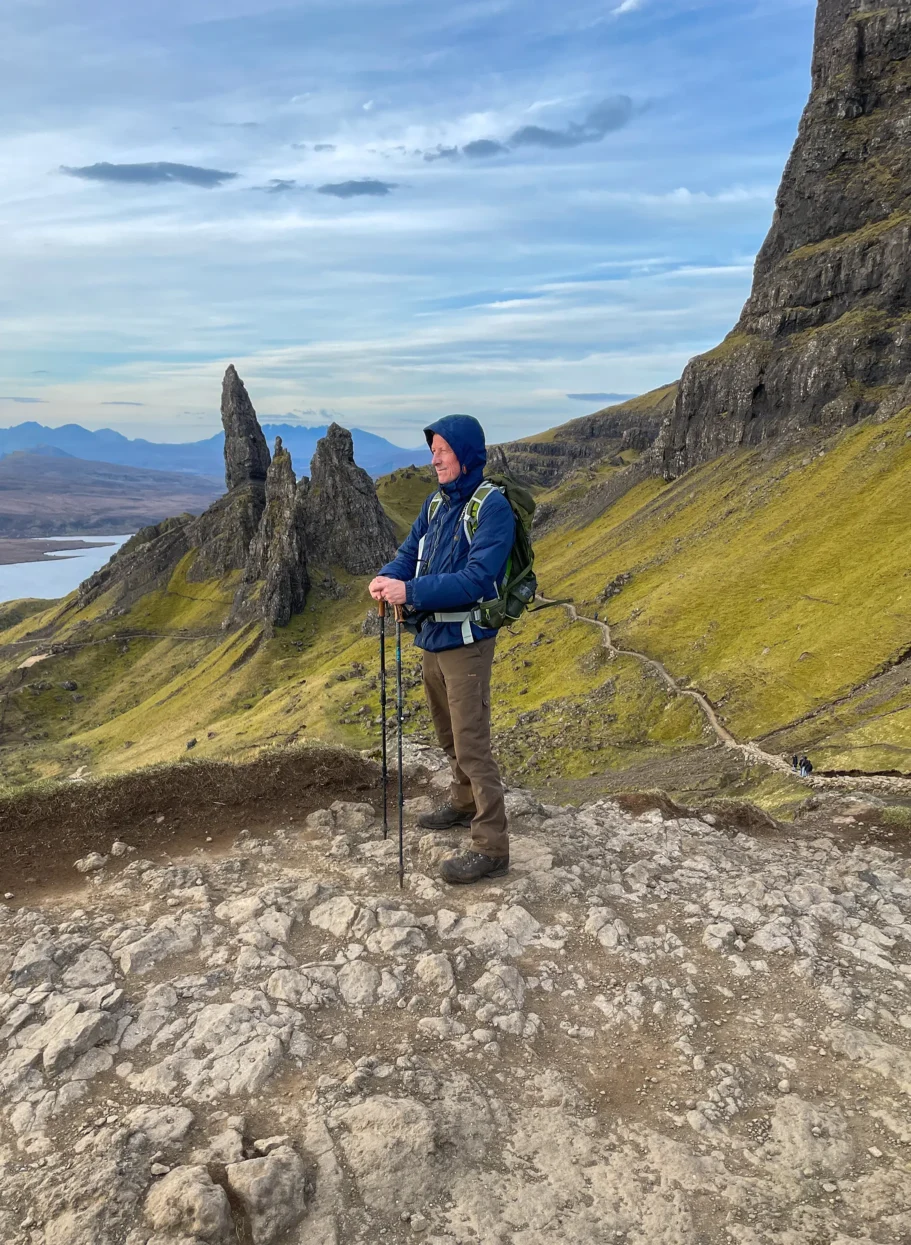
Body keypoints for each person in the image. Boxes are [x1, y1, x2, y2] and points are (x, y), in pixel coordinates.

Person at [368, 415, 515, 884]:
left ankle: (491, 847)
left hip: (467, 643)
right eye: (432, 451)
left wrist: (409, 594)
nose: (434, 459)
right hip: (433, 638)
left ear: (466, 454)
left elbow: (478, 579)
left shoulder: (492, 509)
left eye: (443, 451)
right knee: (448, 734)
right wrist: (388, 577)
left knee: (472, 744)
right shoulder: (436, 504)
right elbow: (409, 553)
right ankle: (462, 800)